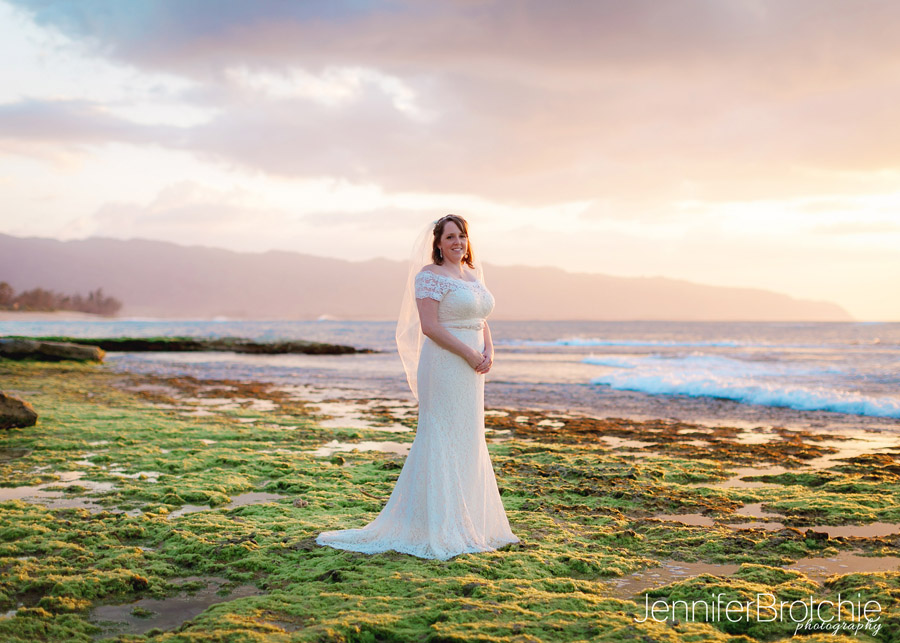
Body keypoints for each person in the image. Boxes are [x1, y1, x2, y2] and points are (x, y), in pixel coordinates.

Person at [315, 214, 520, 560]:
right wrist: (470, 353)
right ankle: (436, 525)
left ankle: (470, 521)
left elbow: (481, 319)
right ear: (438, 243)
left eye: (463, 236)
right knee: (441, 436)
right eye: (451, 237)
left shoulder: (472, 275)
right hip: (444, 365)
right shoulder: (430, 276)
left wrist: (489, 351)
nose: (458, 242)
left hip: (472, 369)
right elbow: (429, 326)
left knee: (468, 437)